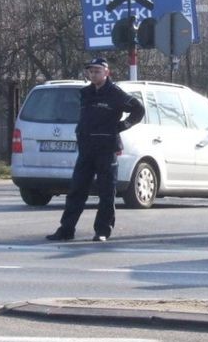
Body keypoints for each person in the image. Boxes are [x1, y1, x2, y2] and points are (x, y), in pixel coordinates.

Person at [46, 57, 145, 242]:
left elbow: (138, 110)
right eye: (91, 71)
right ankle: (66, 230)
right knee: (76, 190)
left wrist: (122, 126)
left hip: (106, 149)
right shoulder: (86, 93)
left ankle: (102, 231)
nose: (93, 74)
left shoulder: (115, 93)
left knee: (106, 192)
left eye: (97, 71)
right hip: (86, 149)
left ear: (107, 72)